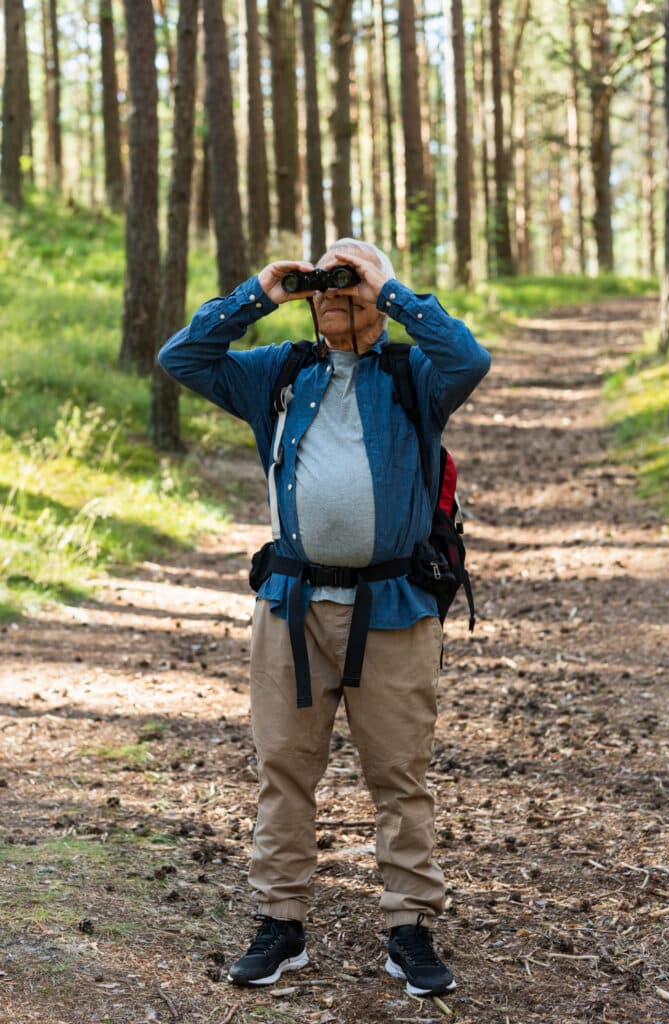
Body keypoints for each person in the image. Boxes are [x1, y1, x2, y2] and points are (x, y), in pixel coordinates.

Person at [158, 239, 491, 997]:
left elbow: (469, 359)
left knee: (399, 777)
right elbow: (182, 358)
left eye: (351, 281)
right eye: (327, 283)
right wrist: (258, 295)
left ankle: (408, 928)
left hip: (393, 608)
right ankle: (281, 924)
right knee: (284, 769)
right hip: (293, 608)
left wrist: (391, 290)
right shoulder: (276, 372)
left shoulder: (417, 375)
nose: (336, 295)